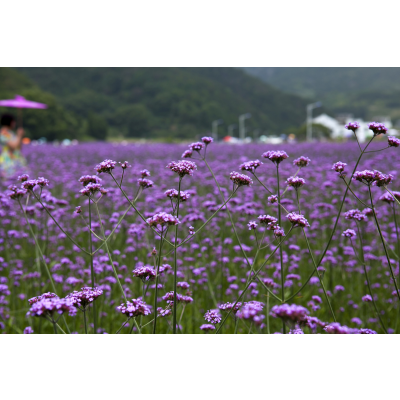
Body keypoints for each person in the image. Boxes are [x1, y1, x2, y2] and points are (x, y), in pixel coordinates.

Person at [0, 113, 27, 178]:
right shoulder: (3, 133)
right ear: (10, 122)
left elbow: (19, 147)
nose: (14, 123)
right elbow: (13, 146)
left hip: (16, 158)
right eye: (13, 121)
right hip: (9, 160)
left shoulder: (10, 133)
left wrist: (20, 136)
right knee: (10, 178)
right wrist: (19, 135)